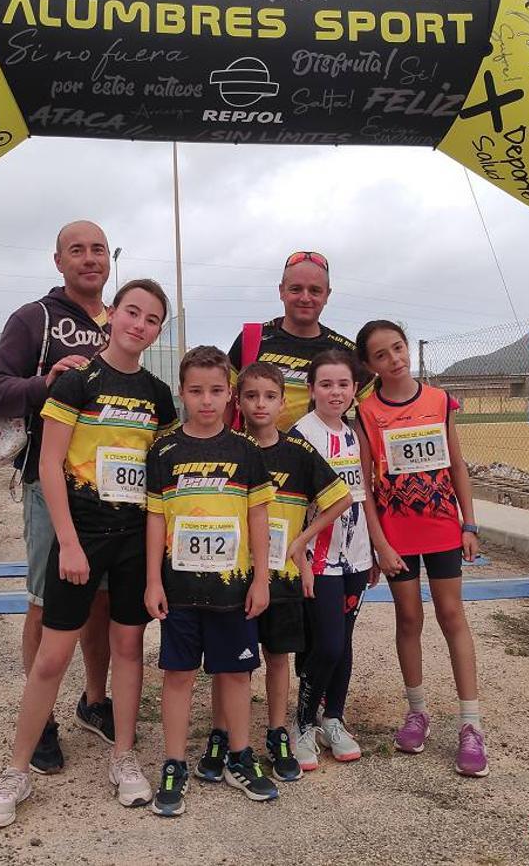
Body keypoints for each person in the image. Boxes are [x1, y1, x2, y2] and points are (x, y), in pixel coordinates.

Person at [0, 280, 179, 829]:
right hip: (83, 534)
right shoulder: (76, 381)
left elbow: (161, 470)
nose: (139, 325)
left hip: (133, 538)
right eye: (132, 312)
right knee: (52, 656)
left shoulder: (159, 395)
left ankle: (124, 756)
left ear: (158, 332)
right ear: (111, 314)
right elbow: (49, 465)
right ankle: (16, 770)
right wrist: (67, 541)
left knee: (129, 649)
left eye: (152, 320)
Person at [0, 220, 114, 773]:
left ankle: (95, 701)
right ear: (58, 261)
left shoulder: (120, 320)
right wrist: (45, 382)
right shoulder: (35, 317)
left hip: (110, 488)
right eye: (77, 250)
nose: (89, 258)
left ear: (110, 259)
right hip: (50, 482)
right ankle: (42, 722)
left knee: (102, 600)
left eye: (98, 249)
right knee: (45, 600)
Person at [194, 361, 352, 782]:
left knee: (278, 657)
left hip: (282, 577)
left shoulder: (298, 452)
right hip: (236, 578)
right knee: (231, 663)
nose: (260, 404)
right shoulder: (229, 448)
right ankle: (221, 733)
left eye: (269, 396)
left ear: (283, 402)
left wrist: (301, 544)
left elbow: (341, 499)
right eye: (251, 396)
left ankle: (278, 732)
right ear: (238, 401)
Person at [144, 346, 278, 817]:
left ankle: (239, 756)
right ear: (181, 392)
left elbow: (259, 519)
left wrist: (261, 579)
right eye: (196, 391)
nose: (206, 400)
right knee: (178, 675)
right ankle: (174, 763)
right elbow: (155, 520)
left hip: (233, 590)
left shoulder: (245, 451)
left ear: (230, 395)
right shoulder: (164, 451)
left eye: (216, 390)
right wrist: (152, 582)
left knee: (236, 674)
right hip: (179, 590)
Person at [354, 319, 489, 778]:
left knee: (452, 615)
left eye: (398, 347)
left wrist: (469, 524)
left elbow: (457, 465)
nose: (394, 359)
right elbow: (364, 485)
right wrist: (379, 543)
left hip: (443, 529)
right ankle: (417, 712)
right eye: (381, 355)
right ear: (369, 365)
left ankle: (471, 724)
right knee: (408, 618)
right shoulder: (366, 412)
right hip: (397, 535)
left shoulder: (439, 401)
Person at [288, 349, 374, 769]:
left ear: (355, 389)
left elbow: (363, 494)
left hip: (356, 555)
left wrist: (373, 549)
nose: (335, 392)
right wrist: (300, 555)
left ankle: (333, 718)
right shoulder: (300, 435)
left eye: (343, 384)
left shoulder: (356, 435)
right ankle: (303, 722)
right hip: (318, 559)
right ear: (311, 389)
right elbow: (292, 502)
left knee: (345, 642)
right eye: (326, 384)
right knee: (326, 643)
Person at [227, 251, 367, 431]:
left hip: (324, 450)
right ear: (281, 291)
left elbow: (377, 408)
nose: (305, 298)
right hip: (254, 448)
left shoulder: (346, 352)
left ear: (327, 295)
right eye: (296, 289)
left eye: (315, 290)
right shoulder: (251, 338)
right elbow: (224, 401)